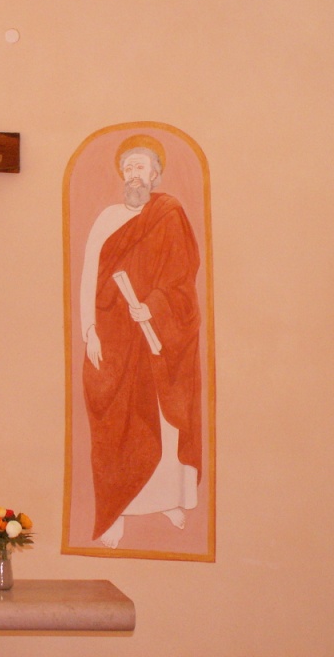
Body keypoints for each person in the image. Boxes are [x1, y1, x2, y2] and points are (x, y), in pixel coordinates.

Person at [79, 135, 202, 548]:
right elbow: (89, 276)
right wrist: (89, 330)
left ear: (156, 175)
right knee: (116, 425)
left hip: (159, 339)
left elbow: (182, 278)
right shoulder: (107, 219)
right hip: (113, 336)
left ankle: (168, 499)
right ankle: (117, 510)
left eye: (141, 167)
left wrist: (154, 307)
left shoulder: (169, 214)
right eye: (128, 167)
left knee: (163, 422)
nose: (134, 174)